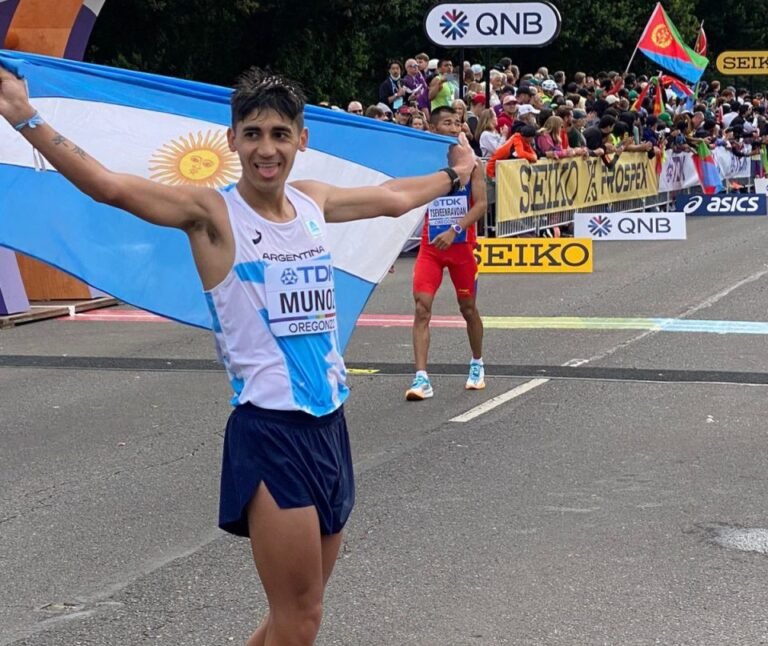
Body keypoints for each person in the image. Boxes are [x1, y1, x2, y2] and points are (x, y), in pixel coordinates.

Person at [0, 65, 476, 645]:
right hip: (270, 434)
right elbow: (109, 186)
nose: (266, 148)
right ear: (231, 141)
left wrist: (453, 176)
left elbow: (390, 198)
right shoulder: (212, 215)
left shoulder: (310, 202)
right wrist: (25, 116)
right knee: (300, 621)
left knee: (293, 617)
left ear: (302, 139)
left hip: (329, 428)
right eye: (252, 133)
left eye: (279, 133)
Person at [405, 106, 487, 401]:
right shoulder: (426, 163)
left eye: (457, 123)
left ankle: (476, 362)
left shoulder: (473, 163)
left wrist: (455, 228)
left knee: (467, 309)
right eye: (448, 123)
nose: (454, 128)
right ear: (434, 128)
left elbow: (480, 205)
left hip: (461, 247)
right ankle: (421, 377)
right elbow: (406, 200)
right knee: (421, 308)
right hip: (431, 248)